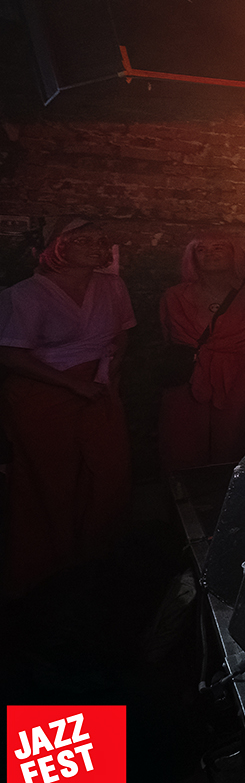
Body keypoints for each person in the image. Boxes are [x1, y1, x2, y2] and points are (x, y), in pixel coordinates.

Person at [0, 218, 134, 595]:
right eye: (82, 240)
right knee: (50, 479)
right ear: (58, 246)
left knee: (107, 471)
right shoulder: (26, 294)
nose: (95, 246)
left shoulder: (112, 286)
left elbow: (121, 335)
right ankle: (46, 566)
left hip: (98, 389)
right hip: (43, 396)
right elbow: (11, 355)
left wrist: (108, 373)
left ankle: (94, 557)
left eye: (100, 240)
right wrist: (73, 384)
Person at [158, 234, 245, 471]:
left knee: (236, 446)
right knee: (183, 446)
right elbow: (169, 338)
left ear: (235, 254)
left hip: (241, 380)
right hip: (189, 378)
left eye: (218, 248)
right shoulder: (174, 296)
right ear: (192, 257)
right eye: (201, 249)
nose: (209, 254)